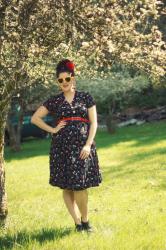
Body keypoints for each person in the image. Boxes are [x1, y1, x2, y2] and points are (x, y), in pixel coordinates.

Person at [31, 59, 102, 232]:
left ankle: (86, 221)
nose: (64, 83)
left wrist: (88, 144)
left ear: (73, 78)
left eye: (67, 79)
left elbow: (94, 123)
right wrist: (53, 130)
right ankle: (78, 223)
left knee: (80, 185)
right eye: (60, 80)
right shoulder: (54, 101)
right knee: (67, 185)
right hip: (61, 148)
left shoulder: (86, 97)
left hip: (82, 148)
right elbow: (35, 118)